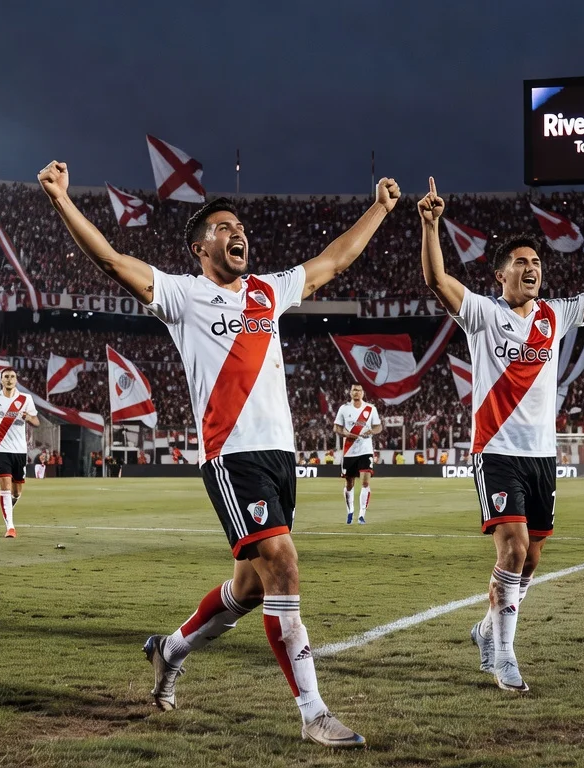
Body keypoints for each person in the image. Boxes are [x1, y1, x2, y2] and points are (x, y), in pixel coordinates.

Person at [39, 158, 398, 747]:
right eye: (224, 228)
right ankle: (313, 712)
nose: (239, 235)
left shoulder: (269, 291)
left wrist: (381, 209)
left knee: (250, 589)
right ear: (200, 247)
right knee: (282, 561)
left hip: (281, 458)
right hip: (232, 458)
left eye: (241, 229)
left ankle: (169, 650)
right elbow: (110, 259)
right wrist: (61, 198)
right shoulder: (183, 296)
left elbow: (333, 261)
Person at [418, 177, 584, 692]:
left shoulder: (555, 315)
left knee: (529, 560)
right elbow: (439, 281)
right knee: (511, 550)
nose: (532, 269)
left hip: (541, 457)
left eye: (537, 263)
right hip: (497, 451)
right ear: (501, 273)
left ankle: (487, 627)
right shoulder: (484, 314)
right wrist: (431, 224)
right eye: (522, 263)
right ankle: (504, 654)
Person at [0, 368, 40, 538]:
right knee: (4, 485)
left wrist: (28, 417)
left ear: (16, 380)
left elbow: (36, 421)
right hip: (0, 449)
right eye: (6, 377)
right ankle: (10, 527)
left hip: (19, 450)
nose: (9, 379)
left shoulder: (25, 399)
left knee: (16, 491)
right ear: (1, 380)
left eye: (12, 377)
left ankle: (7, 509)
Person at [333, 384, 382, 524]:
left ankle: (361, 515)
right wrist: (345, 433)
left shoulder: (370, 409)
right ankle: (350, 511)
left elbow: (379, 426)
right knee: (349, 483)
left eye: (359, 390)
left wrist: (372, 431)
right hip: (349, 451)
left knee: (365, 482)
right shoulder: (344, 409)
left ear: (363, 392)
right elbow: (336, 427)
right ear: (350, 392)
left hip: (366, 451)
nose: (357, 392)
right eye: (354, 390)